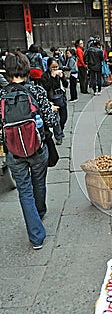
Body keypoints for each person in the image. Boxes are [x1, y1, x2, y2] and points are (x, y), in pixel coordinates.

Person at [0, 52, 58, 249]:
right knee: (38, 183)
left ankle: (36, 237)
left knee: (25, 191)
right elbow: (50, 121)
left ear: (7, 73)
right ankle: (39, 212)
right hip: (37, 148)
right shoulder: (37, 91)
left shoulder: (1, 96)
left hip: (14, 153)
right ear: (26, 69)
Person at [41, 57, 68, 145]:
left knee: (63, 118)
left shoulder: (60, 73)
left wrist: (62, 77)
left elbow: (66, 84)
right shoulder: (45, 76)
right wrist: (52, 78)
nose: (55, 69)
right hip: (52, 99)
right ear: (49, 67)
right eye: (53, 67)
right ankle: (58, 136)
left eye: (56, 67)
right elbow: (46, 87)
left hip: (61, 97)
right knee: (57, 119)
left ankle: (60, 130)